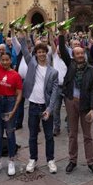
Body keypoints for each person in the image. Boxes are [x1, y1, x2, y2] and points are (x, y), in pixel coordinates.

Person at [58, 30, 93, 176]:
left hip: (86, 104)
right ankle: (72, 160)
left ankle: (91, 162)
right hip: (71, 102)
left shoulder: (92, 70)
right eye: (77, 54)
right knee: (72, 133)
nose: (80, 55)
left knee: (87, 135)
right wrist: (61, 34)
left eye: (82, 53)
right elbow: (62, 50)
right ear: (73, 56)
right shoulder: (71, 65)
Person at [22, 36, 59, 174]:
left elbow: (55, 93)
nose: (42, 54)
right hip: (33, 105)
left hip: (46, 108)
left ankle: (50, 160)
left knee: (49, 135)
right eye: (39, 52)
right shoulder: (32, 65)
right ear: (36, 54)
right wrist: (21, 33)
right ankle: (33, 159)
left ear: (47, 53)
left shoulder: (53, 72)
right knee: (32, 135)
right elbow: (25, 50)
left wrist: (50, 109)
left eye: (44, 51)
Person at [0, 34, 23, 176]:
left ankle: (11, 160)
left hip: (9, 102)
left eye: (7, 60)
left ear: (10, 61)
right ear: (0, 60)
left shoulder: (15, 75)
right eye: (3, 60)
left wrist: (14, 110)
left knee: (10, 132)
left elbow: (19, 94)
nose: (5, 62)